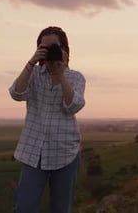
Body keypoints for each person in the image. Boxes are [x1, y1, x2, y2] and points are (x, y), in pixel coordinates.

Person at [9, 26, 86, 213]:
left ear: (65, 49)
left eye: (54, 47)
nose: (49, 51)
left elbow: (73, 106)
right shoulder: (33, 74)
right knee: (24, 208)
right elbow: (16, 93)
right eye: (44, 47)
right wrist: (31, 62)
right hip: (33, 151)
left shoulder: (76, 77)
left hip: (65, 152)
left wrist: (60, 74)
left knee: (61, 209)